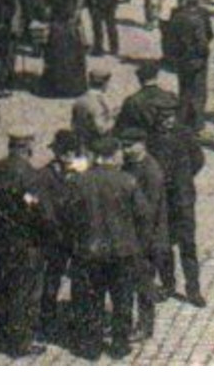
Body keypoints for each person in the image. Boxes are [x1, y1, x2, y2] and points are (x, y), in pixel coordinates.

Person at [67, 137, 151, 359]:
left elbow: (68, 216)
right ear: (113, 156)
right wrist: (137, 244)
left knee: (92, 300)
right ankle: (120, 345)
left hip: (89, 251)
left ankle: (91, 347)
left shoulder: (79, 181)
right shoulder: (128, 181)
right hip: (122, 252)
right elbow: (144, 215)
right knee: (122, 299)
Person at [0, 127, 56, 356]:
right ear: (29, 147)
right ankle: (20, 342)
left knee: (2, 286)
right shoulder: (31, 176)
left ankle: (3, 331)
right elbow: (41, 211)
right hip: (25, 243)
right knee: (24, 293)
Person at [148, 110, 206, 308]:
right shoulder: (151, 138)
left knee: (188, 245)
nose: (168, 121)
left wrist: (185, 177)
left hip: (183, 199)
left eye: (171, 116)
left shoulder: (185, 135)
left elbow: (199, 160)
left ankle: (193, 289)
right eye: (163, 118)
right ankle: (167, 284)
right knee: (164, 245)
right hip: (163, 201)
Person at [38, 129, 87, 337]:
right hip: (55, 237)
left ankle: (77, 318)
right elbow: (42, 206)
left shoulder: (85, 174)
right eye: (63, 153)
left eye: (71, 153)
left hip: (78, 237)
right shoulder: (45, 174)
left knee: (80, 279)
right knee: (52, 278)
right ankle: (47, 318)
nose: (66, 157)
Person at [121, 134, 168, 340]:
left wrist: (141, 244)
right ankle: (134, 323)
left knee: (144, 284)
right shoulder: (131, 164)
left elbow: (149, 212)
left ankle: (145, 326)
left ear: (142, 144)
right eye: (123, 146)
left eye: (129, 145)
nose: (125, 150)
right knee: (134, 282)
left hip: (147, 239)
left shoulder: (151, 171)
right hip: (135, 235)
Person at [162, 0, 214, 132]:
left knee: (184, 89)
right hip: (199, 57)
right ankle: (197, 123)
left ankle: (183, 120)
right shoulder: (203, 13)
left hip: (182, 58)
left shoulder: (176, 14)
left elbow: (170, 38)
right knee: (199, 90)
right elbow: (209, 34)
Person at [114, 61, 180, 143]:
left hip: (145, 142)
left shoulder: (133, 100)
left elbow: (121, 127)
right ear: (156, 77)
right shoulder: (171, 96)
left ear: (139, 79)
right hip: (169, 139)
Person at [72, 67, 117, 152]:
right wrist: (113, 119)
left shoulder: (79, 99)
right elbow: (101, 129)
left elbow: (73, 124)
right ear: (105, 83)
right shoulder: (97, 103)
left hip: (80, 142)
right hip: (94, 146)